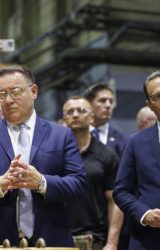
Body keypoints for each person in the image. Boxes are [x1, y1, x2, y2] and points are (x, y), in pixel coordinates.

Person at [0, 64, 87, 247]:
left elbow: (79, 184)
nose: (8, 100)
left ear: (33, 91)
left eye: (15, 91)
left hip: (51, 239)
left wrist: (41, 182)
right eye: (1, 94)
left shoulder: (61, 135)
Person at [113, 70, 160, 250]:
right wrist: (144, 214)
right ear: (149, 105)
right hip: (148, 239)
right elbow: (121, 191)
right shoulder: (135, 142)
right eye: (157, 96)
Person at [63, 96, 124, 250]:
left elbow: (114, 201)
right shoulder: (54, 154)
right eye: (70, 111)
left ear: (91, 117)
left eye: (81, 110)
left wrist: (112, 242)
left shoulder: (107, 155)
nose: (75, 114)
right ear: (64, 119)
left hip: (94, 239)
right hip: (56, 237)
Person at [83, 83, 128, 158]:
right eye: (102, 101)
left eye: (111, 101)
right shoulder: (75, 135)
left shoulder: (123, 140)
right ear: (88, 104)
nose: (108, 105)